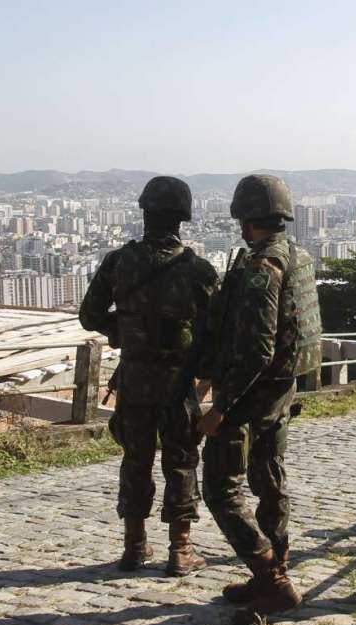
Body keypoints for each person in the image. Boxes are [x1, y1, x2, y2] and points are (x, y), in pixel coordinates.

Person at [196, 174, 321, 625]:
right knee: (269, 478)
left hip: (250, 394)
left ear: (245, 217)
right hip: (281, 389)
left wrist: (220, 407)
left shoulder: (261, 267)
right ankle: (274, 568)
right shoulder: (299, 256)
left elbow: (256, 348)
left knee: (220, 488)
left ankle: (272, 580)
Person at [79, 175, 219, 577]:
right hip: (179, 381)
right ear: (183, 217)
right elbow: (216, 329)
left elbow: (89, 316)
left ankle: (133, 548)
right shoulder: (197, 270)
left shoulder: (119, 262)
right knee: (181, 461)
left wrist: (122, 331)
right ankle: (180, 550)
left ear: (145, 212)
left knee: (135, 459)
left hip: (135, 377)